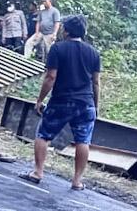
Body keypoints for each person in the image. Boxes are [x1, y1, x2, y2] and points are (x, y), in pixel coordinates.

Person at [20, 15, 100, 191]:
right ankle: (77, 181)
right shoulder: (93, 52)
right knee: (83, 141)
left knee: (43, 134)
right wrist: (95, 104)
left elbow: (51, 77)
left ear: (66, 31)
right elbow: (95, 82)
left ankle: (38, 172)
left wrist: (40, 99)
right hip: (85, 102)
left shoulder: (58, 49)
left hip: (61, 100)